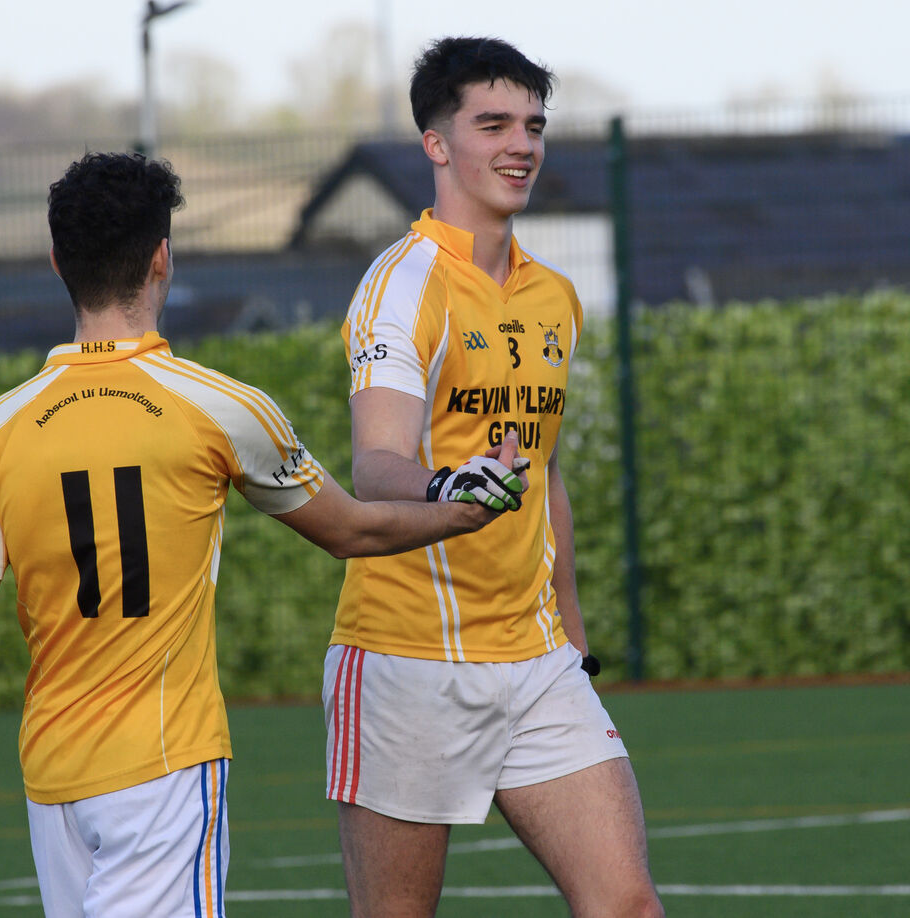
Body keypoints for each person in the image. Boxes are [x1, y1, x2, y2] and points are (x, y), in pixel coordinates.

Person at [0, 151, 522, 918]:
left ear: (56, 263)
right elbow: (355, 530)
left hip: (52, 787)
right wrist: (461, 505)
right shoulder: (222, 407)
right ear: (162, 259)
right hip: (165, 772)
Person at [323, 37, 665, 917]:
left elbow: (544, 479)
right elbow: (378, 465)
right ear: (437, 143)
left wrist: (575, 646)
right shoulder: (400, 286)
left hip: (537, 660)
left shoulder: (555, 296)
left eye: (534, 125)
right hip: (407, 663)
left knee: (626, 905)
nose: (522, 144)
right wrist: (447, 488)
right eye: (494, 124)